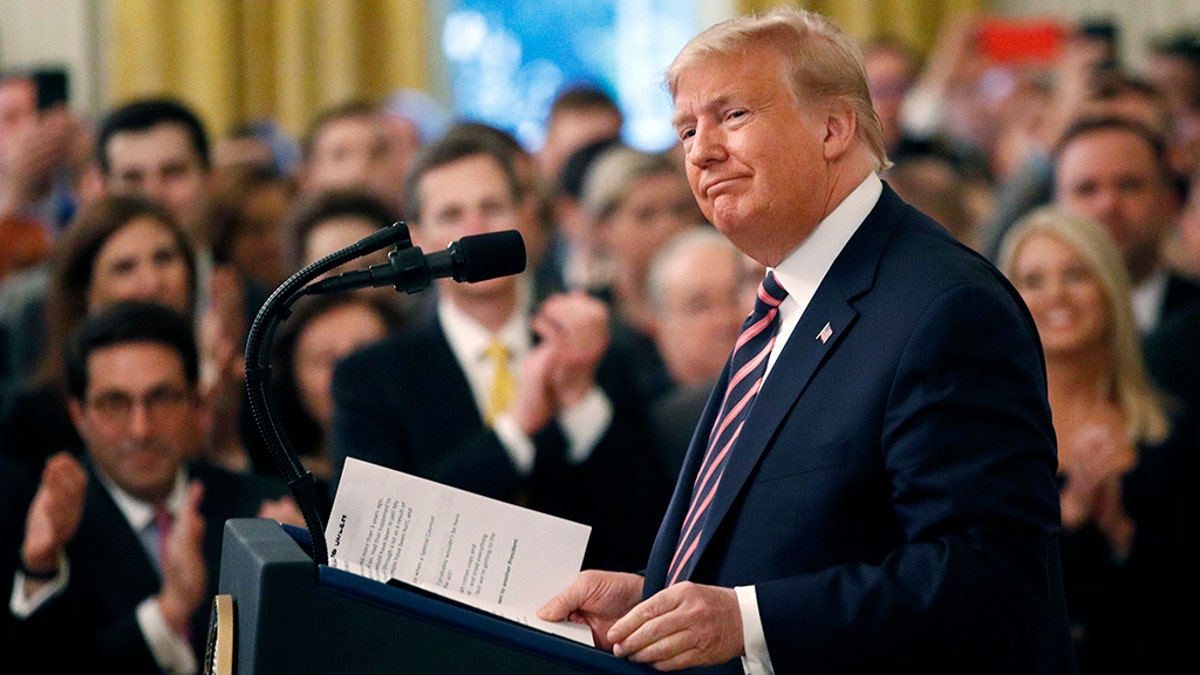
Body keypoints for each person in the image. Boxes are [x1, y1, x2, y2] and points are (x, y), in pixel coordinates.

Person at [538, 9, 1073, 674]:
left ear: (833, 127)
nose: (700, 151)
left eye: (731, 116)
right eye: (686, 129)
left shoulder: (945, 306)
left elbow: (991, 576)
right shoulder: (785, 298)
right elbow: (799, 538)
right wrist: (654, 594)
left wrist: (749, 621)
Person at [330, 133, 671, 573]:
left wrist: (584, 406)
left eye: (491, 207)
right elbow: (376, 537)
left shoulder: (602, 345)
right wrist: (514, 432)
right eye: (451, 214)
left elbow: (652, 526)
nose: (475, 231)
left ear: (526, 218)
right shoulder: (371, 376)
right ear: (417, 236)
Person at [7, 300, 296, 675]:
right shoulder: (48, 528)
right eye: (115, 403)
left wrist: (298, 579)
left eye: (161, 398)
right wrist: (41, 566)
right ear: (79, 414)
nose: (141, 429)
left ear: (195, 403)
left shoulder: (261, 508)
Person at [999, 207, 1200, 673]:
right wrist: (1067, 515)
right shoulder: (984, 435)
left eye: (1076, 274)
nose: (1056, 296)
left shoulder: (1176, 432)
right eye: (1033, 280)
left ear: (1110, 288)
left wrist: (1118, 530)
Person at [1052, 116, 1200, 333]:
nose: (1108, 205)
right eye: (1086, 189)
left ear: (1169, 201)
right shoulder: (1025, 329)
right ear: (1055, 208)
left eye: (1129, 185)